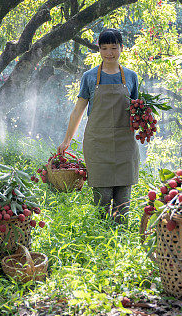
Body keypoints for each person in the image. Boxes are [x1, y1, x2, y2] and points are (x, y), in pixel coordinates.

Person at [57, 28, 139, 224]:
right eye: (104, 48)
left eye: (113, 47)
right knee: (102, 197)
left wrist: (146, 122)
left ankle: (119, 240)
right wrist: (67, 140)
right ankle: (101, 234)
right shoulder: (90, 77)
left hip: (124, 143)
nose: (109, 53)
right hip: (98, 143)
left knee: (123, 199)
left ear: (121, 48)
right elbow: (78, 110)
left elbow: (139, 109)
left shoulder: (131, 77)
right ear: (99, 50)